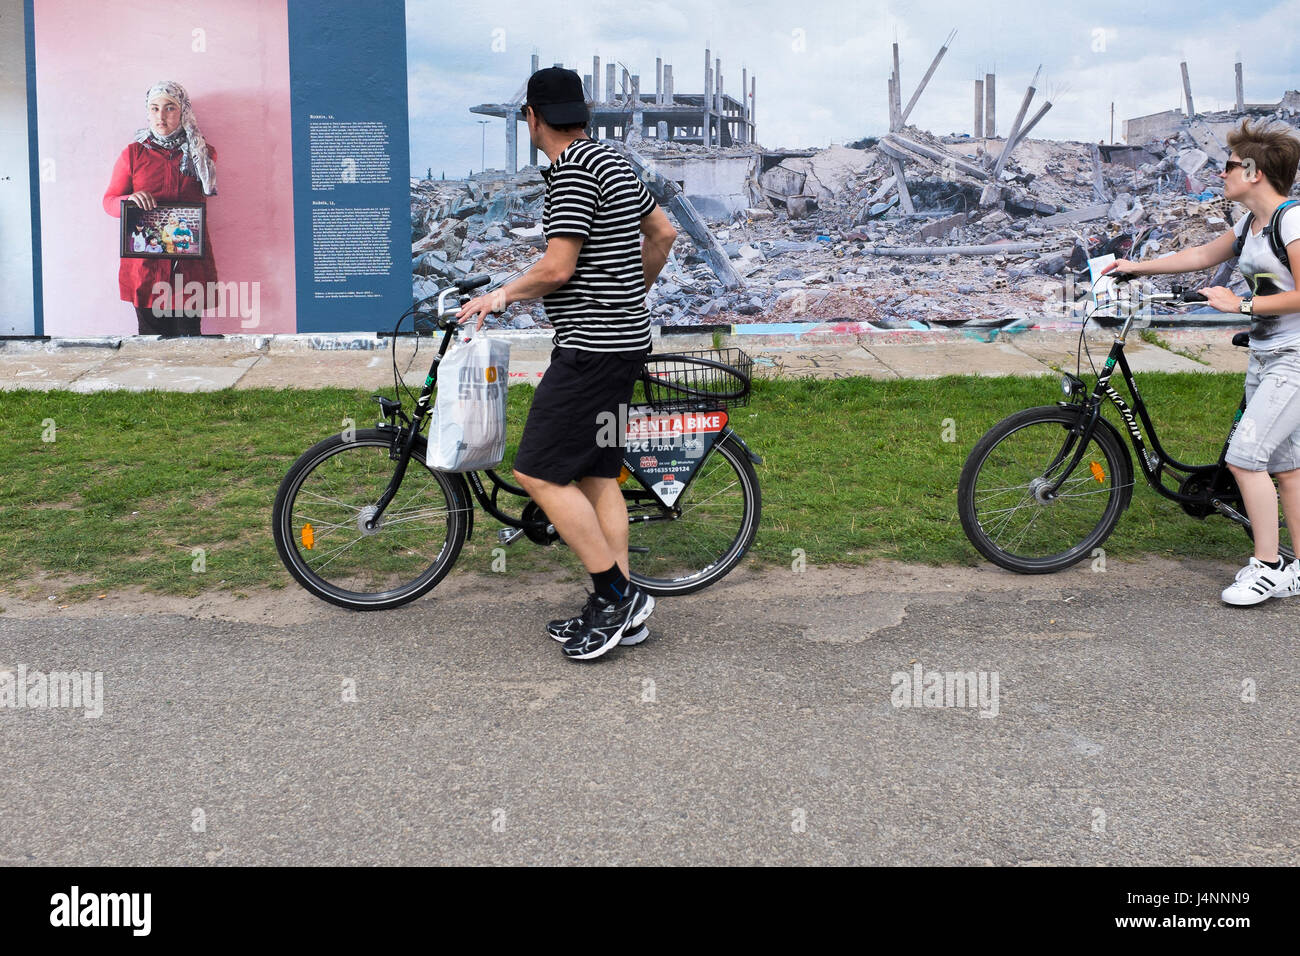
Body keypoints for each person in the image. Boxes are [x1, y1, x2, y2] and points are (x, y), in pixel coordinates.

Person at [458, 67, 679, 660]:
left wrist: (498, 296)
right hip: (623, 341)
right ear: (581, 113)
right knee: (596, 475)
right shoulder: (613, 161)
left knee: (538, 472)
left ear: (533, 117)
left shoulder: (572, 171)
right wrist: (630, 291)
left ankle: (616, 596)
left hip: (592, 350)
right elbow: (663, 233)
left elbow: (556, 268)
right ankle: (623, 608)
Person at [1104, 118, 1300, 605]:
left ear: (1254, 172)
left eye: (1230, 166)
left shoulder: (1290, 221)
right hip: (1267, 355)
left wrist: (1243, 306)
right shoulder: (1251, 225)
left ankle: (1267, 566)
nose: (1222, 173)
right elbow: (1198, 254)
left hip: (1294, 361)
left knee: (1244, 457)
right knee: (1287, 468)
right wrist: (1136, 265)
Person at [103, 81, 218, 336]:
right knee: (151, 345)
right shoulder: (133, 154)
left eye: (169, 108)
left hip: (187, 267)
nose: (161, 116)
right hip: (145, 267)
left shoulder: (202, 155)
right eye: (154, 108)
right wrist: (130, 200)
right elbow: (109, 202)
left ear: (183, 111)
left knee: (189, 342)